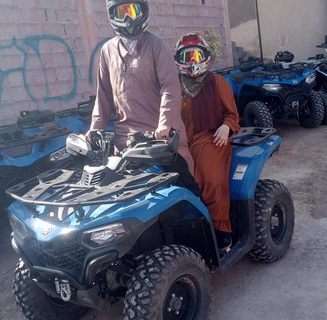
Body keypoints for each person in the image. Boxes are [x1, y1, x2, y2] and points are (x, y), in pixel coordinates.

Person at [88, 0, 200, 195]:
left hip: (161, 141)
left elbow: (170, 88)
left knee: (186, 191)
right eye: (122, 12)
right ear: (112, 16)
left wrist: (164, 125)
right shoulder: (107, 51)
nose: (128, 19)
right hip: (125, 143)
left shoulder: (157, 46)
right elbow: (103, 95)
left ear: (143, 12)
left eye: (133, 10)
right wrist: (95, 128)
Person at [174, 32, 241, 250]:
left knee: (210, 178)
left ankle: (221, 230)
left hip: (212, 137)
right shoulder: (174, 88)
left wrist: (226, 127)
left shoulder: (218, 83)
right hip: (182, 141)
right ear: (179, 60)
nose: (192, 62)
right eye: (187, 57)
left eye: (196, 55)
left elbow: (232, 115)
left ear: (205, 57)